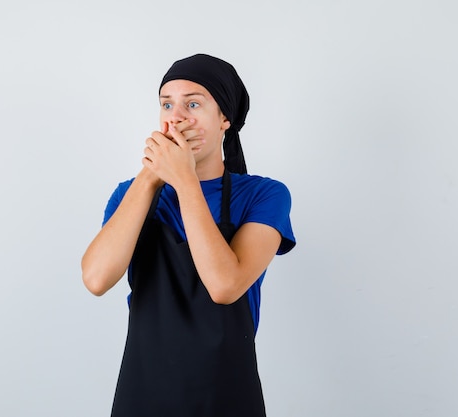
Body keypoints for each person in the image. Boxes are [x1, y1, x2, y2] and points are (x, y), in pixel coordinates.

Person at [81, 53, 296, 417]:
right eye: (167, 104)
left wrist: (184, 179)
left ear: (225, 119)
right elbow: (97, 279)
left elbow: (225, 286)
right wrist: (151, 177)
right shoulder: (131, 194)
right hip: (144, 393)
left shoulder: (264, 195)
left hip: (227, 396)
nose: (176, 117)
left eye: (193, 103)